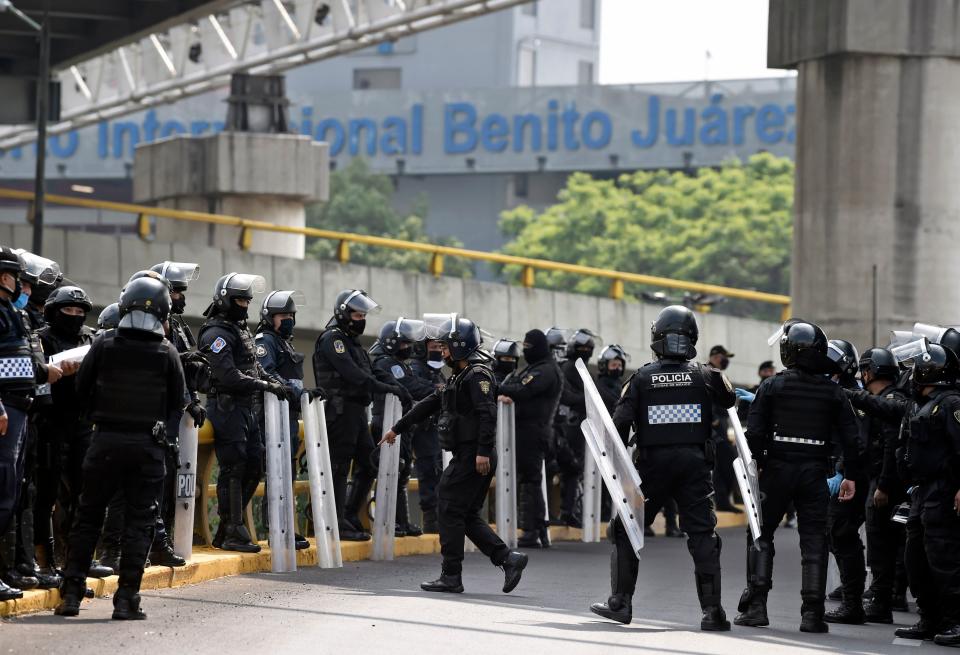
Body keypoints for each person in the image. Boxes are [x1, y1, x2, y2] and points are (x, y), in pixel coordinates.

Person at [590, 305, 736, 631]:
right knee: (702, 534)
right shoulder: (706, 375)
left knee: (627, 528)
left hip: (652, 466)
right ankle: (713, 612)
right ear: (692, 339)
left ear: (657, 337)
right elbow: (729, 401)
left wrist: (620, 470)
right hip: (696, 466)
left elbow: (619, 425)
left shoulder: (641, 378)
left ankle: (621, 602)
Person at [54, 275, 185, 620]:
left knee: (88, 517)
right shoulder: (167, 351)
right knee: (139, 523)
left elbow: (81, 389)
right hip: (147, 446)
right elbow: (176, 401)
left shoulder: (103, 344)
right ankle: (127, 599)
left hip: (105, 441)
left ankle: (70, 594)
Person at [382, 316, 527, 594]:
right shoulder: (459, 376)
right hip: (469, 455)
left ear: (460, 346)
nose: (442, 352)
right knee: (465, 513)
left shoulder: (478, 375)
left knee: (448, 506)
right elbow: (430, 403)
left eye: (447, 347)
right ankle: (508, 560)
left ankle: (451, 576)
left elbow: (487, 414)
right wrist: (397, 429)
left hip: (474, 456)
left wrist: (482, 452)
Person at [735, 320, 863, 633]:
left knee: (760, 534)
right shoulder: (833, 392)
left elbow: (754, 433)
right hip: (814, 474)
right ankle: (812, 615)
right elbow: (853, 439)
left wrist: (759, 464)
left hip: (775, 471)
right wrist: (850, 476)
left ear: (788, 350)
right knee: (814, 542)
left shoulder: (772, 385)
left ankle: (756, 607)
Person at [199, 272, 291, 553]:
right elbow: (227, 375)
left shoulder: (239, 329)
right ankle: (232, 529)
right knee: (234, 466)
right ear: (225, 300)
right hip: (226, 406)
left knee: (255, 464)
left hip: (245, 408)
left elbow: (252, 366)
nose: (245, 305)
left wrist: (270, 380)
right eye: (240, 299)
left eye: (248, 300)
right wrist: (264, 384)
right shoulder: (216, 333)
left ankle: (230, 527)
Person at [312, 290, 408, 542]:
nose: (361, 319)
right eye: (357, 314)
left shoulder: (352, 341)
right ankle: (333, 521)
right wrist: (385, 388)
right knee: (339, 467)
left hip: (355, 414)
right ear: (343, 314)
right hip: (339, 412)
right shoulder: (333, 339)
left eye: (364, 315)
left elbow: (371, 370)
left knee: (369, 462)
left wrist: (396, 386)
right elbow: (352, 374)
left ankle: (348, 514)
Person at [0, 247, 66, 601]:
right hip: (8, 410)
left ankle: (18, 565)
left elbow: (23, 364)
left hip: (26, 411)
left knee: (17, 492)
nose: (21, 287)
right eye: (17, 280)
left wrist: (46, 372)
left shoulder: (17, 317)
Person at [34, 286, 109, 579]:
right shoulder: (40, 339)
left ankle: (80, 558)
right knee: (46, 493)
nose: (75, 316)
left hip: (83, 423)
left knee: (86, 493)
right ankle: (45, 561)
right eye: (69, 310)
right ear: (54, 311)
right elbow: (33, 379)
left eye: (80, 312)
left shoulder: (92, 337)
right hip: (50, 423)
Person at [256, 289, 319, 550]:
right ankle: (275, 529)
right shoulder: (265, 341)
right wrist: (296, 392)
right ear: (270, 318)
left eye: (291, 315)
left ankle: (286, 527)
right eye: (283, 315)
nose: (289, 320)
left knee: (288, 473)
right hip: (271, 416)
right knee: (276, 473)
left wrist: (303, 394)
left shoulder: (285, 342)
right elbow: (266, 372)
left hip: (289, 416)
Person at [856, 347, 908, 624]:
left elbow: (891, 447)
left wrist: (883, 485)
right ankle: (884, 596)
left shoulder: (890, 401)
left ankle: (881, 600)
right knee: (887, 543)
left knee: (881, 544)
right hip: (881, 480)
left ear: (870, 371)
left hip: (884, 484)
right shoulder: (884, 399)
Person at [498, 329, 562, 549]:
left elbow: (523, 390)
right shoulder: (536, 368)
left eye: (528, 347)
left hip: (533, 431)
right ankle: (536, 529)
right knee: (530, 479)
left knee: (530, 480)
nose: (525, 351)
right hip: (527, 430)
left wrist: (497, 388)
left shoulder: (545, 370)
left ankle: (532, 530)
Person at [823, 339, 872, 625]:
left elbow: (856, 441)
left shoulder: (852, 397)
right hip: (840, 474)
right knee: (836, 534)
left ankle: (854, 602)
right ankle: (852, 592)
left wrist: (844, 472)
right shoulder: (834, 392)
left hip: (852, 476)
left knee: (842, 533)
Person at [369, 317, 433, 536]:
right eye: (403, 343)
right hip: (386, 421)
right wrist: (437, 390)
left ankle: (402, 522)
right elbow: (410, 386)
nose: (408, 348)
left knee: (402, 471)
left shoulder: (398, 363)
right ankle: (389, 521)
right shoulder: (386, 363)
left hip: (401, 422)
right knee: (390, 469)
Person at [556, 328, 600, 528]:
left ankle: (569, 510)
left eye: (587, 348)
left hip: (575, 425)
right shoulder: (569, 367)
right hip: (567, 425)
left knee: (575, 469)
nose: (584, 350)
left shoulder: (578, 368)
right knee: (570, 468)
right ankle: (566, 511)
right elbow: (567, 396)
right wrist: (588, 399)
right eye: (581, 347)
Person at [408, 338, 446, 533]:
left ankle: (435, 519)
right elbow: (415, 388)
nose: (438, 350)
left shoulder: (437, 371)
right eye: (433, 347)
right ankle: (430, 520)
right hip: (422, 427)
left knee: (436, 471)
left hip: (434, 428)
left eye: (440, 347)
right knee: (428, 471)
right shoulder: (416, 368)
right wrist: (436, 390)